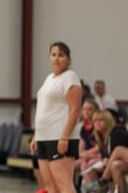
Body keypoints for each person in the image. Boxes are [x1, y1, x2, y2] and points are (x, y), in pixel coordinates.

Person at [30, 42, 82, 193]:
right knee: (51, 187)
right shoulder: (49, 78)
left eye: (61, 55)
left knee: (64, 184)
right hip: (44, 137)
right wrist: (36, 136)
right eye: (53, 55)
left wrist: (65, 137)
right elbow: (44, 109)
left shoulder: (70, 77)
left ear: (68, 59)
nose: (57, 58)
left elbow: (75, 109)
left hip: (59, 137)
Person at [80, 110, 115, 186]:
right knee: (85, 164)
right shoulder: (101, 138)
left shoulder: (115, 134)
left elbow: (115, 154)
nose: (97, 123)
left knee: (90, 163)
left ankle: (98, 187)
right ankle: (95, 189)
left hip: (116, 163)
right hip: (107, 163)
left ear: (108, 121)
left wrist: (103, 159)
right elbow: (81, 153)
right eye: (95, 121)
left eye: (101, 120)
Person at [77, 99, 100, 185]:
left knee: (86, 165)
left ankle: (96, 190)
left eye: (90, 109)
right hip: (87, 157)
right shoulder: (83, 127)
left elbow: (99, 148)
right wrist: (86, 155)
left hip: (100, 156)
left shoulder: (99, 124)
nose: (86, 112)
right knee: (69, 166)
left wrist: (86, 155)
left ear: (96, 111)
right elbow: (80, 151)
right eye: (84, 109)